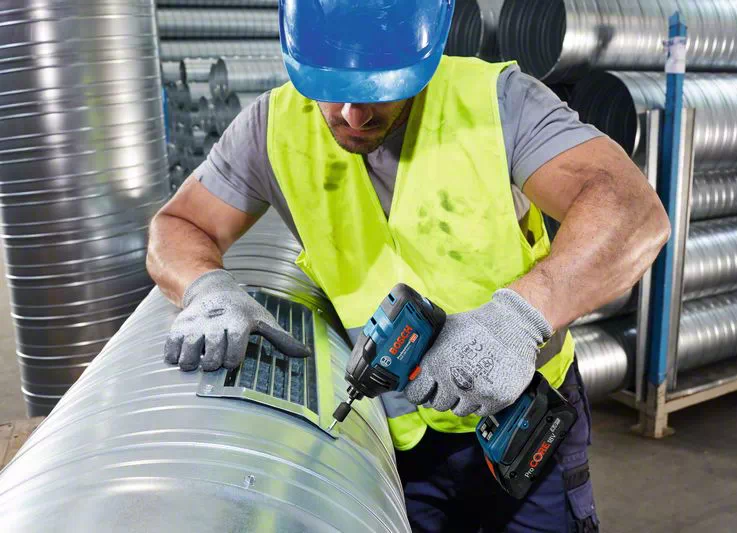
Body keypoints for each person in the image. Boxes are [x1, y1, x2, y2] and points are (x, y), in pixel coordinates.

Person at [146, 1, 670, 531]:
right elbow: (179, 225)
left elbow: (632, 212)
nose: (353, 115)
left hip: (522, 421)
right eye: (330, 87)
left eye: (378, 89)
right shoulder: (271, 127)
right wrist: (206, 288)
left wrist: (518, 318)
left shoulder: (497, 101)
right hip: (400, 445)